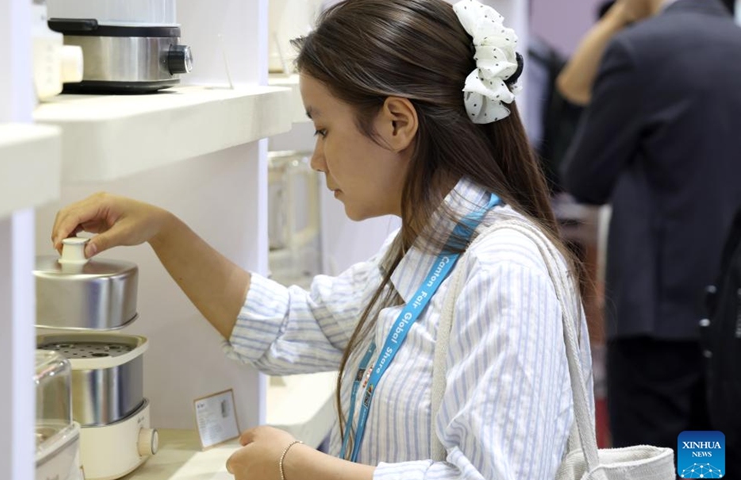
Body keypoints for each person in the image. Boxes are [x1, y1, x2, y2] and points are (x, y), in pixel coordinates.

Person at [52, 1, 593, 479]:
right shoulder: (425, 251)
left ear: (398, 123)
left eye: (322, 129)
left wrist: (298, 467)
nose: (315, 159)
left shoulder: (504, 269)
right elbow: (290, 323)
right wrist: (162, 229)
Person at [557, 0, 741, 453]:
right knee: (710, 449)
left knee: (653, 459)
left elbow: (584, 178)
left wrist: (621, 19)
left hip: (657, 312)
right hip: (730, 311)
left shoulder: (640, 50)